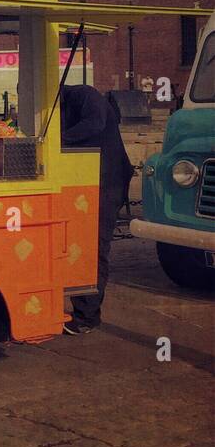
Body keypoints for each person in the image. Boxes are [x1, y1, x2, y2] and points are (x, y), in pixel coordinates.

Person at [60, 84, 134, 333]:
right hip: (85, 183)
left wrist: (55, 139)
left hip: (106, 182)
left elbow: (95, 124)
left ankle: (87, 317)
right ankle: (82, 309)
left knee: (93, 247)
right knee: (79, 245)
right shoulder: (61, 107)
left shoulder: (85, 95)